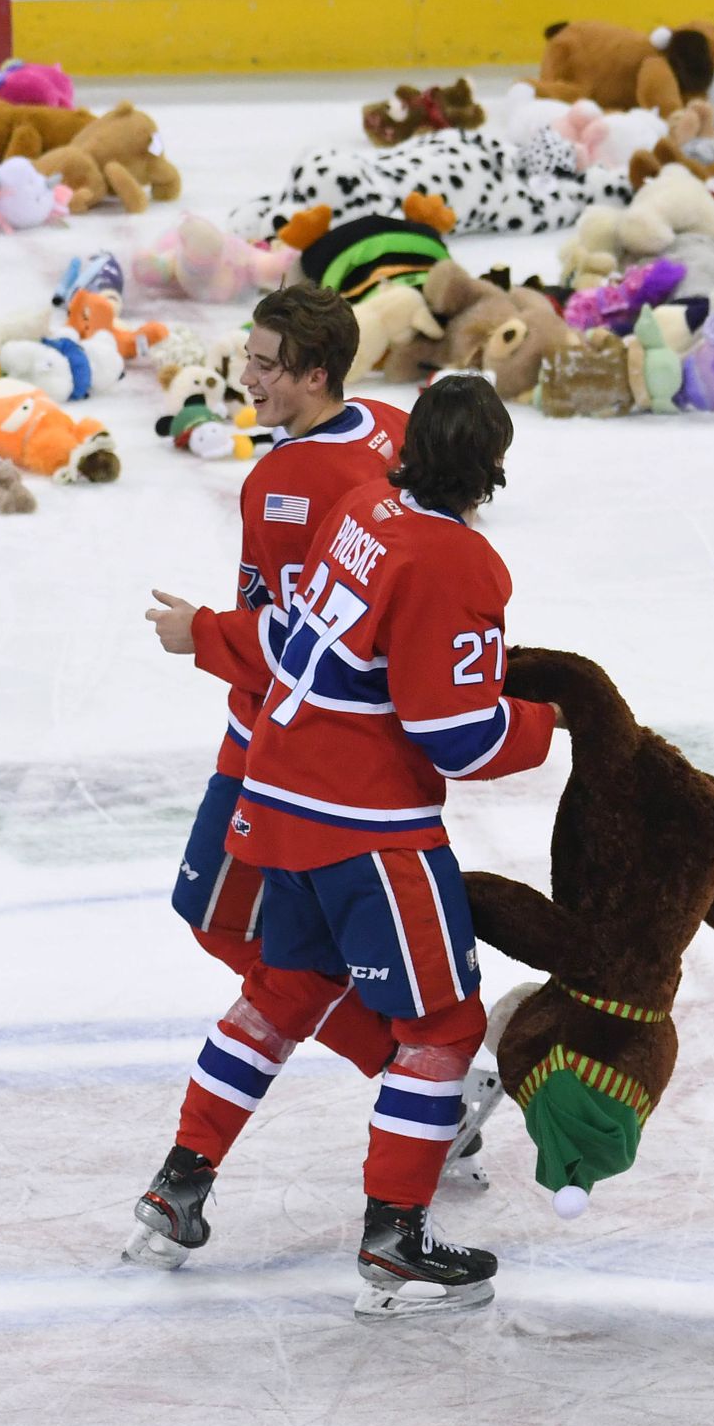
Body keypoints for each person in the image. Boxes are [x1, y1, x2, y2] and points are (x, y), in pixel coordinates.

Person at [127, 375, 561, 1320]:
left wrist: (205, 632)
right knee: (443, 1028)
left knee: (281, 994)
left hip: (277, 798)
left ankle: (177, 1185)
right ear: (490, 469)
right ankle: (395, 1235)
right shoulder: (458, 563)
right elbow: (456, 734)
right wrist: (546, 723)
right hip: (363, 826)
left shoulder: (363, 503)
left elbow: (289, 635)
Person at [142, 288, 460, 1161]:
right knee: (275, 945)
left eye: (266, 365)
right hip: (361, 753)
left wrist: (198, 634)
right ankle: (413, 1078)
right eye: (248, 357)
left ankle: (408, 1075)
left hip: (283, 750)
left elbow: (297, 640)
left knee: (226, 927)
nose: (245, 377)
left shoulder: (284, 483)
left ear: (316, 374)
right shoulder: (390, 423)